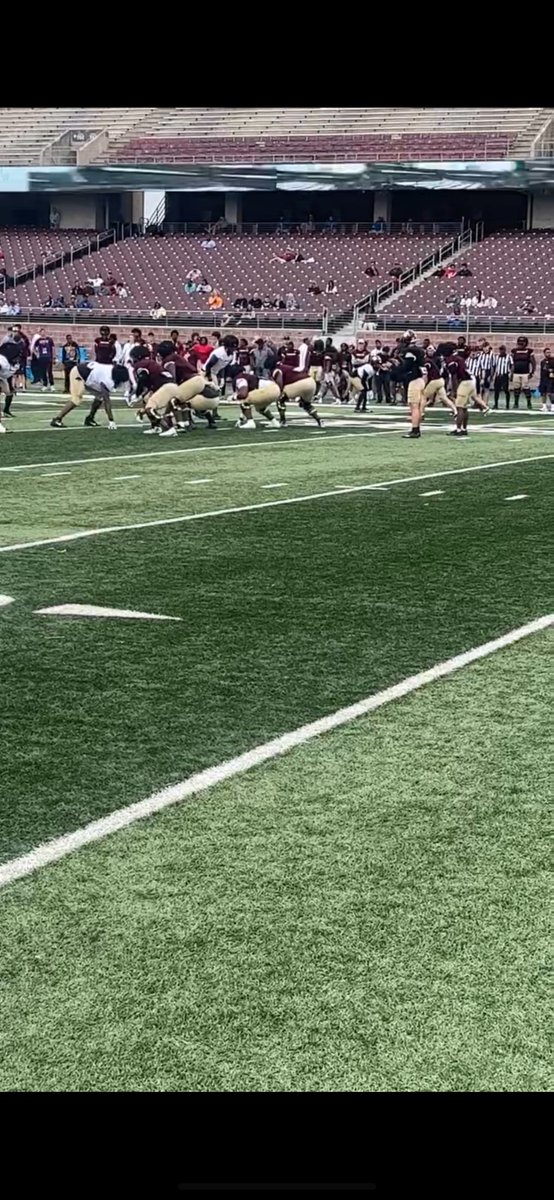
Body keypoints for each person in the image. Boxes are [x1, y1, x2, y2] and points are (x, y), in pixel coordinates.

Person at [50, 362, 130, 430]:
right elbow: (107, 401)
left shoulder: (112, 370)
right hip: (78, 373)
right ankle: (57, 419)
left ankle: (90, 419)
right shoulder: (107, 379)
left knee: (100, 396)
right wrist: (111, 420)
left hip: (89, 376)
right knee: (77, 399)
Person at [272, 360, 322, 428]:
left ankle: (283, 421)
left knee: (280, 399)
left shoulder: (278, 369)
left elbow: (279, 382)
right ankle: (319, 420)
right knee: (306, 404)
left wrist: (279, 392)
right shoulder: (289, 368)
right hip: (311, 382)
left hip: (299, 383)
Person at [446, 351, 478, 436]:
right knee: (464, 407)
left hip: (465, 382)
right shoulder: (458, 358)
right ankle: (464, 428)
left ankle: (458, 429)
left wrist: (454, 390)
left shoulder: (451, 359)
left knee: (459, 407)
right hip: (471, 381)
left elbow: (454, 375)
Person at [511, 336, 536, 409]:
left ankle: (529, 403)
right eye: (520, 342)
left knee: (526, 388)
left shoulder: (529, 351)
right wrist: (511, 373)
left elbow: (533, 362)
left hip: (525, 372)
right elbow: (512, 362)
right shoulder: (514, 351)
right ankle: (516, 403)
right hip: (516, 372)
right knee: (516, 388)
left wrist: (532, 372)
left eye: (523, 342)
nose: (521, 343)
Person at [539, 347, 554, 412]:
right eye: (547, 352)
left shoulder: (553, 360)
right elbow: (542, 371)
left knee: (550, 393)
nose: (549, 354)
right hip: (543, 379)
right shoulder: (542, 362)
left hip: (550, 379)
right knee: (543, 393)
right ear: (544, 353)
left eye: (549, 352)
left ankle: (553, 405)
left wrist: (552, 371)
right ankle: (544, 406)